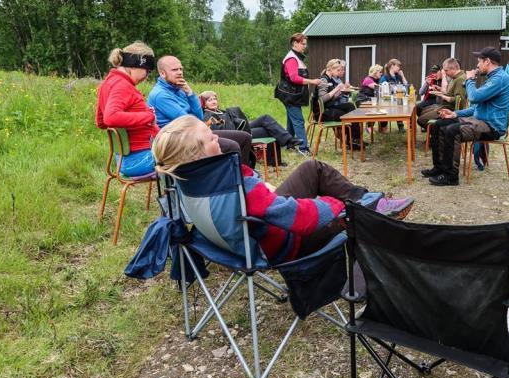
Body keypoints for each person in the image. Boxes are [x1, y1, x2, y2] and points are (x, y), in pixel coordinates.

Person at [152, 115, 415, 264]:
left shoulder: (183, 181)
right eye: (210, 138)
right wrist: (334, 206)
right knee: (352, 215)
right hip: (280, 245)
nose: (218, 138)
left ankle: (368, 201)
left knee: (313, 168)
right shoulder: (236, 185)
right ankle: (370, 213)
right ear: (196, 153)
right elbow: (300, 219)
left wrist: (263, 191)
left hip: (245, 237)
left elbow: (261, 205)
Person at [422, 47, 509, 186]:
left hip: (491, 126)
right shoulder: (492, 79)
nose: (477, 65)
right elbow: (475, 108)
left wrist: (470, 79)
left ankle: (451, 176)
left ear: (487, 61)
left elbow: (474, 97)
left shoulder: (500, 79)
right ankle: (439, 167)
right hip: (479, 120)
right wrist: (455, 113)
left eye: (479, 61)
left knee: (452, 130)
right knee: (438, 125)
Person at [148, 55, 252, 166]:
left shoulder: (179, 89)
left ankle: (243, 176)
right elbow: (188, 120)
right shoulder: (161, 95)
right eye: (174, 70)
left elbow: (199, 116)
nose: (179, 72)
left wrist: (190, 93)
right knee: (232, 146)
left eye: (181, 69)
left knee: (245, 137)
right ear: (163, 73)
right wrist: (207, 134)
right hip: (177, 142)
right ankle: (230, 179)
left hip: (191, 134)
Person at [95, 41, 158, 177]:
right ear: (135, 64)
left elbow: (101, 121)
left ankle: (170, 197)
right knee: (193, 155)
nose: (147, 77)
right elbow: (110, 118)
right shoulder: (122, 85)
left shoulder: (108, 83)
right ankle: (179, 198)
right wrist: (149, 117)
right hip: (140, 160)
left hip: (126, 160)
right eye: (147, 71)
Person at [199, 90, 301, 166]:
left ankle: (284, 147)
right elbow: (218, 130)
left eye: (214, 99)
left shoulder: (220, 111)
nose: (213, 101)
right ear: (204, 104)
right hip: (237, 134)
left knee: (266, 121)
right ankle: (286, 145)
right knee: (267, 128)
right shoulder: (207, 115)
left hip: (241, 127)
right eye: (209, 100)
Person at [274, 33, 321, 156]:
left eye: (305, 44)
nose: (305, 46)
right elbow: (294, 78)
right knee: (298, 120)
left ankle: (287, 143)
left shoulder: (296, 57)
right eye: (303, 44)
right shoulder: (291, 58)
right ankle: (303, 148)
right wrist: (312, 81)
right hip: (289, 95)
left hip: (292, 94)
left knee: (292, 120)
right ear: (295, 43)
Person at [312, 59, 365, 150]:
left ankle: (354, 139)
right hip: (322, 113)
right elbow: (322, 99)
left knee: (350, 106)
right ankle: (353, 140)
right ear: (330, 69)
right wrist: (336, 90)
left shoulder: (329, 79)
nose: (339, 72)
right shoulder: (323, 80)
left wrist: (339, 92)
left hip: (329, 108)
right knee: (349, 115)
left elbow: (331, 98)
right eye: (337, 70)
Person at [416, 58, 467, 128]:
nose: (445, 73)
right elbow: (450, 93)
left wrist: (443, 96)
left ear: (454, 68)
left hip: (450, 110)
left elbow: (459, 101)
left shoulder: (460, 79)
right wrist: (440, 92)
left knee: (421, 120)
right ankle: (438, 132)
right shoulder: (454, 78)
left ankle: (438, 134)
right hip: (444, 106)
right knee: (422, 111)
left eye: (446, 71)